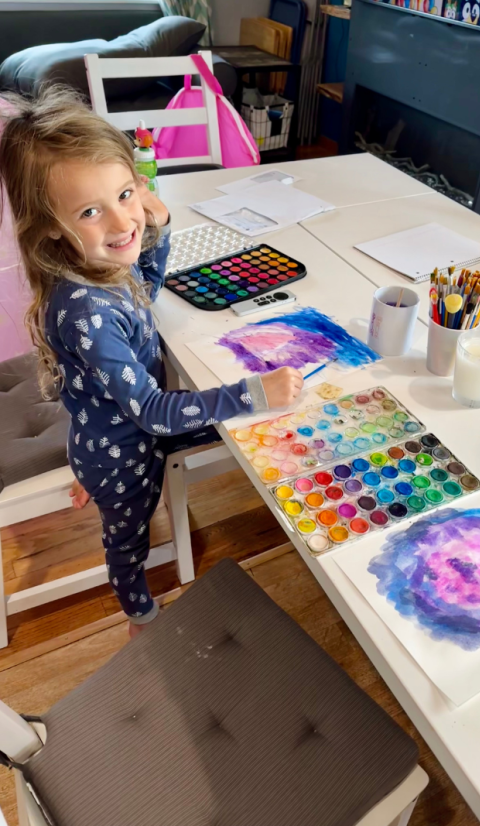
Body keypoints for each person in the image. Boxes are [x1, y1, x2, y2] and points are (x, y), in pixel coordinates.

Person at [0, 88, 303, 636]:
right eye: (91, 211)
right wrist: (253, 392)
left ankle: (91, 474)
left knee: (239, 434)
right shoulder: (86, 310)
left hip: (120, 433)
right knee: (128, 542)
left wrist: (156, 228)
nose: (123, 222)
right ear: (49, 225)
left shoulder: (96, 266)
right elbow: (156, 413)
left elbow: (147, 288)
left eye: (125, 194)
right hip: (124, 453)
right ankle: (139, 616)